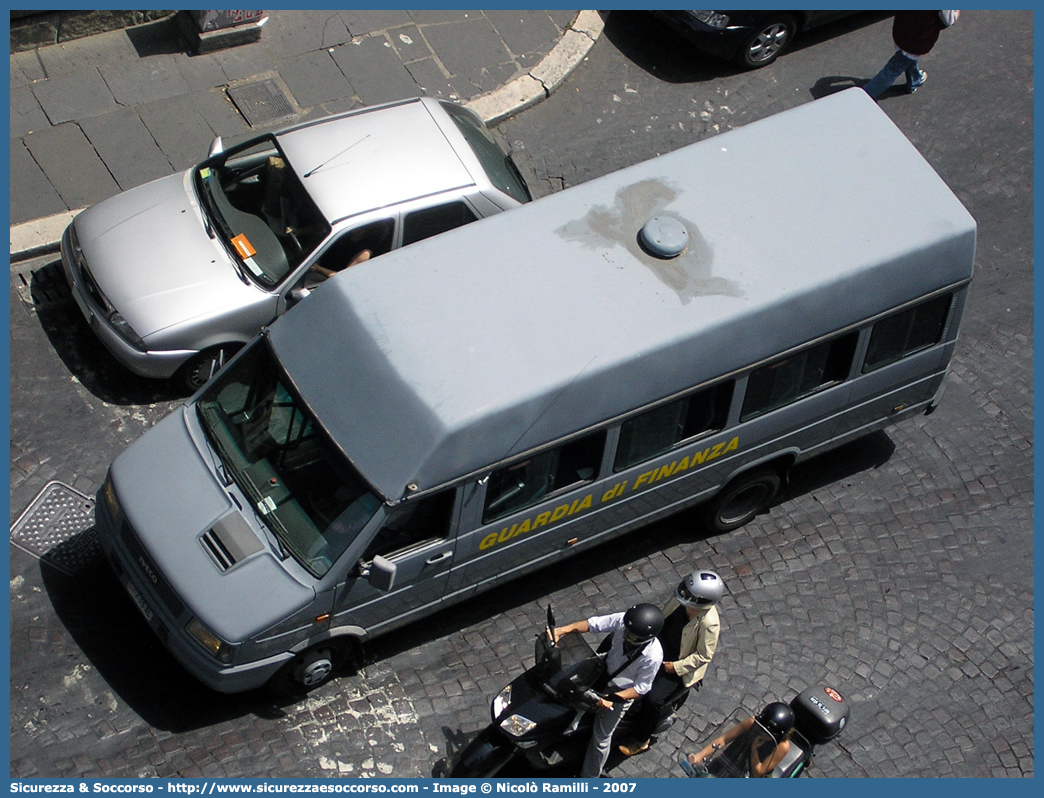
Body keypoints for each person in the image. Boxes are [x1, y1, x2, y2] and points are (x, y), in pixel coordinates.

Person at [618, 569, 724, 756]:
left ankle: (642, 739)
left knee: (653, 699)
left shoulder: (709, 623)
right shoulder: (680, 600)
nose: (685, 596)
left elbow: (704, 655)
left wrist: (675, 667)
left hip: (675, 665)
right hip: (657, 648)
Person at [553, 603, 664, 778]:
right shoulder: (623, 621)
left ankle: (589, 778)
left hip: (619, 691)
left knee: (601, 738)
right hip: (602, 669)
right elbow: (592, 624)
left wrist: (612, 698)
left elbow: (641, 688)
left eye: (632, 636)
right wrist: (561, 631)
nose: (626, 635)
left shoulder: (653, 656)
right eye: (626, 631)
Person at [862, 11, 960, 99]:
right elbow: (949, 20)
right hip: (918, 38)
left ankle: (915, 80)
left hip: (902, 26)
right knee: (892, 70)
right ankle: (863, 98)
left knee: (907, 58)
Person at [686, 702, 795, 778]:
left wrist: (754, 749)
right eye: (761, 728)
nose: (762, 732)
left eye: (768, 733)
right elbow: (723, 739)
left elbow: (758, 772)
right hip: (727, 762)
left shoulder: (782, 746)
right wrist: (699, 756)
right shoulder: (752, 723)